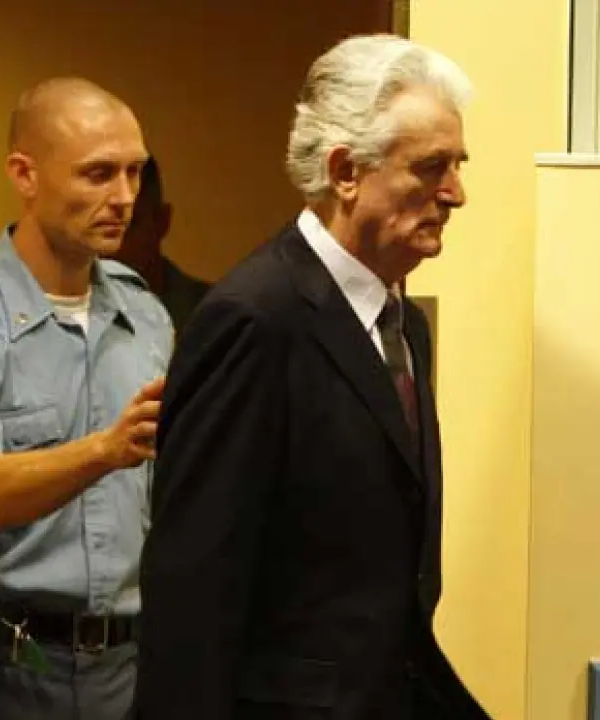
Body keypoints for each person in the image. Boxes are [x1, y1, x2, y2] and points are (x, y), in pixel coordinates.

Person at [137, 35, 491, 719]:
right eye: (431, 168)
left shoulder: (403, 324)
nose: (456, 193)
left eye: (458, 165)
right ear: (345, 171)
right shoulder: (255, 319)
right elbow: (193, 591)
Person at [0, 77, 172, 719]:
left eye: (135, 172)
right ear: (25, 175)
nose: (124, 198)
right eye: (98, 174)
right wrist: (105, 451)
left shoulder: (144, 312)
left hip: (129, 667)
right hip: (8, 667)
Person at [107, 156, 211, 332]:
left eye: (127, 225)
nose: (106, 245)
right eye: (96, 225)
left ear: (162, 222)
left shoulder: (212, 317)